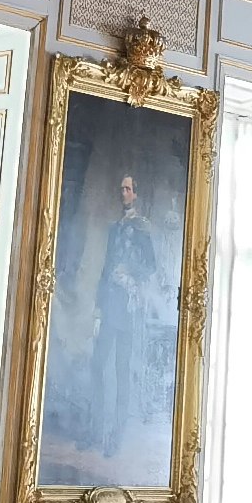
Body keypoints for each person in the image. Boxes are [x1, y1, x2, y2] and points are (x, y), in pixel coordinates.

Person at [84, 164, 176, 456]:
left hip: (126, 308)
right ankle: (95, 431)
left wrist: (129, 271)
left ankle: (115, 438)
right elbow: (104, 269)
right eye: (121, 189)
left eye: (128, 189)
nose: (123, 193)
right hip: (108, 307)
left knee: (121, 372)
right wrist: (98, 310)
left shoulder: (142, 228)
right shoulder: (114, 228)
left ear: (136, 194)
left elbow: (150, 266)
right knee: (98, 367)